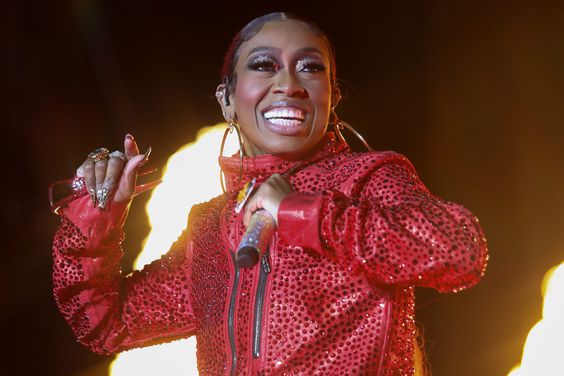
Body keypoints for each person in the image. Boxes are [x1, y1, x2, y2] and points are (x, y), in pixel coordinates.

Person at [51, 12, 488, 375]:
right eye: (263, 65)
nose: (289, 83)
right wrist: (96, 211)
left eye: (310, 67)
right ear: (227, 100)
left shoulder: (367, 178)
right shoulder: (211, 228)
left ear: (332, 96)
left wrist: (303, 213)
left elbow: (460, 250)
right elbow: (104, 324)